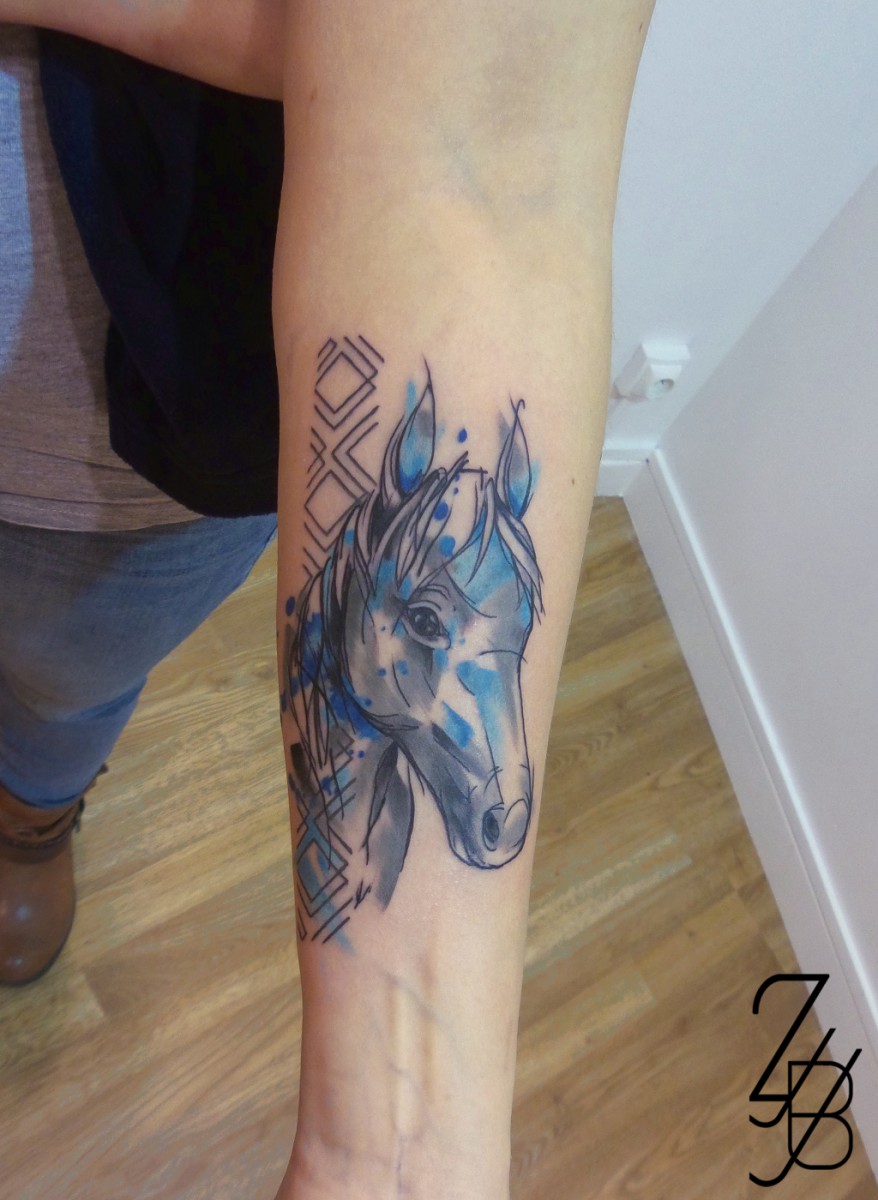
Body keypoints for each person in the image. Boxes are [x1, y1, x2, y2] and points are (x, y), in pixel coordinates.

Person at [0, 3, 656, 1198]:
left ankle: (30, 810)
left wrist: (396, 1151)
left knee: (68, 674)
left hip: (112, 402)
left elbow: (481, 164)